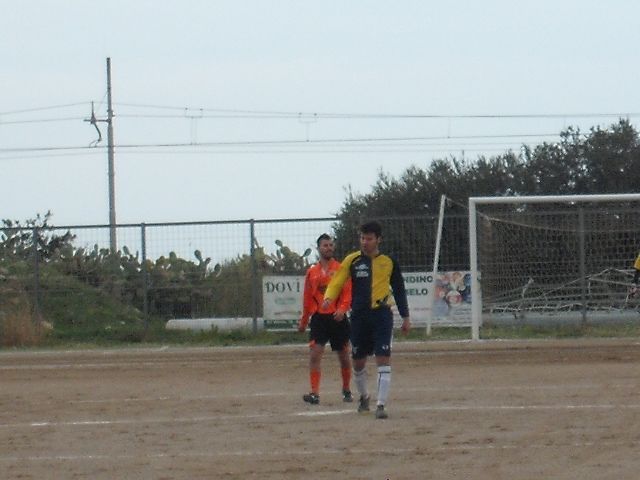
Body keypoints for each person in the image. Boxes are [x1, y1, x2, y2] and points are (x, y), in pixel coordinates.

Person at [322, 221, 410, 419]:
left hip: (382, 315)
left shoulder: (389, 262)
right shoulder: (352, 260)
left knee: (383, 358)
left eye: (369, 238)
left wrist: (405, 317)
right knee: (358, 362)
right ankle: (364, 396)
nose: (365, 242)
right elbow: (337, 281)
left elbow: (399, 290)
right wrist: (329, 297)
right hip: (359, 316)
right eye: (362, 238)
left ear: (378, 239)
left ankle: (381, 404)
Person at [298, 234, 353, 405]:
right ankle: (314, 393)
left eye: (330, 245)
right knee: (315, 354)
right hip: (319, 319)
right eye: (325, 245)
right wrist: (304, 321)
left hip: (337, 318)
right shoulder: (312, 272)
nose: (328, 248)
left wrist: (342, 309)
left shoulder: (341, 269)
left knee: (344, 356)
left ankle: (346, 389)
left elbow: (347, 292)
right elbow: (307, 298)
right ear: (318, 248)